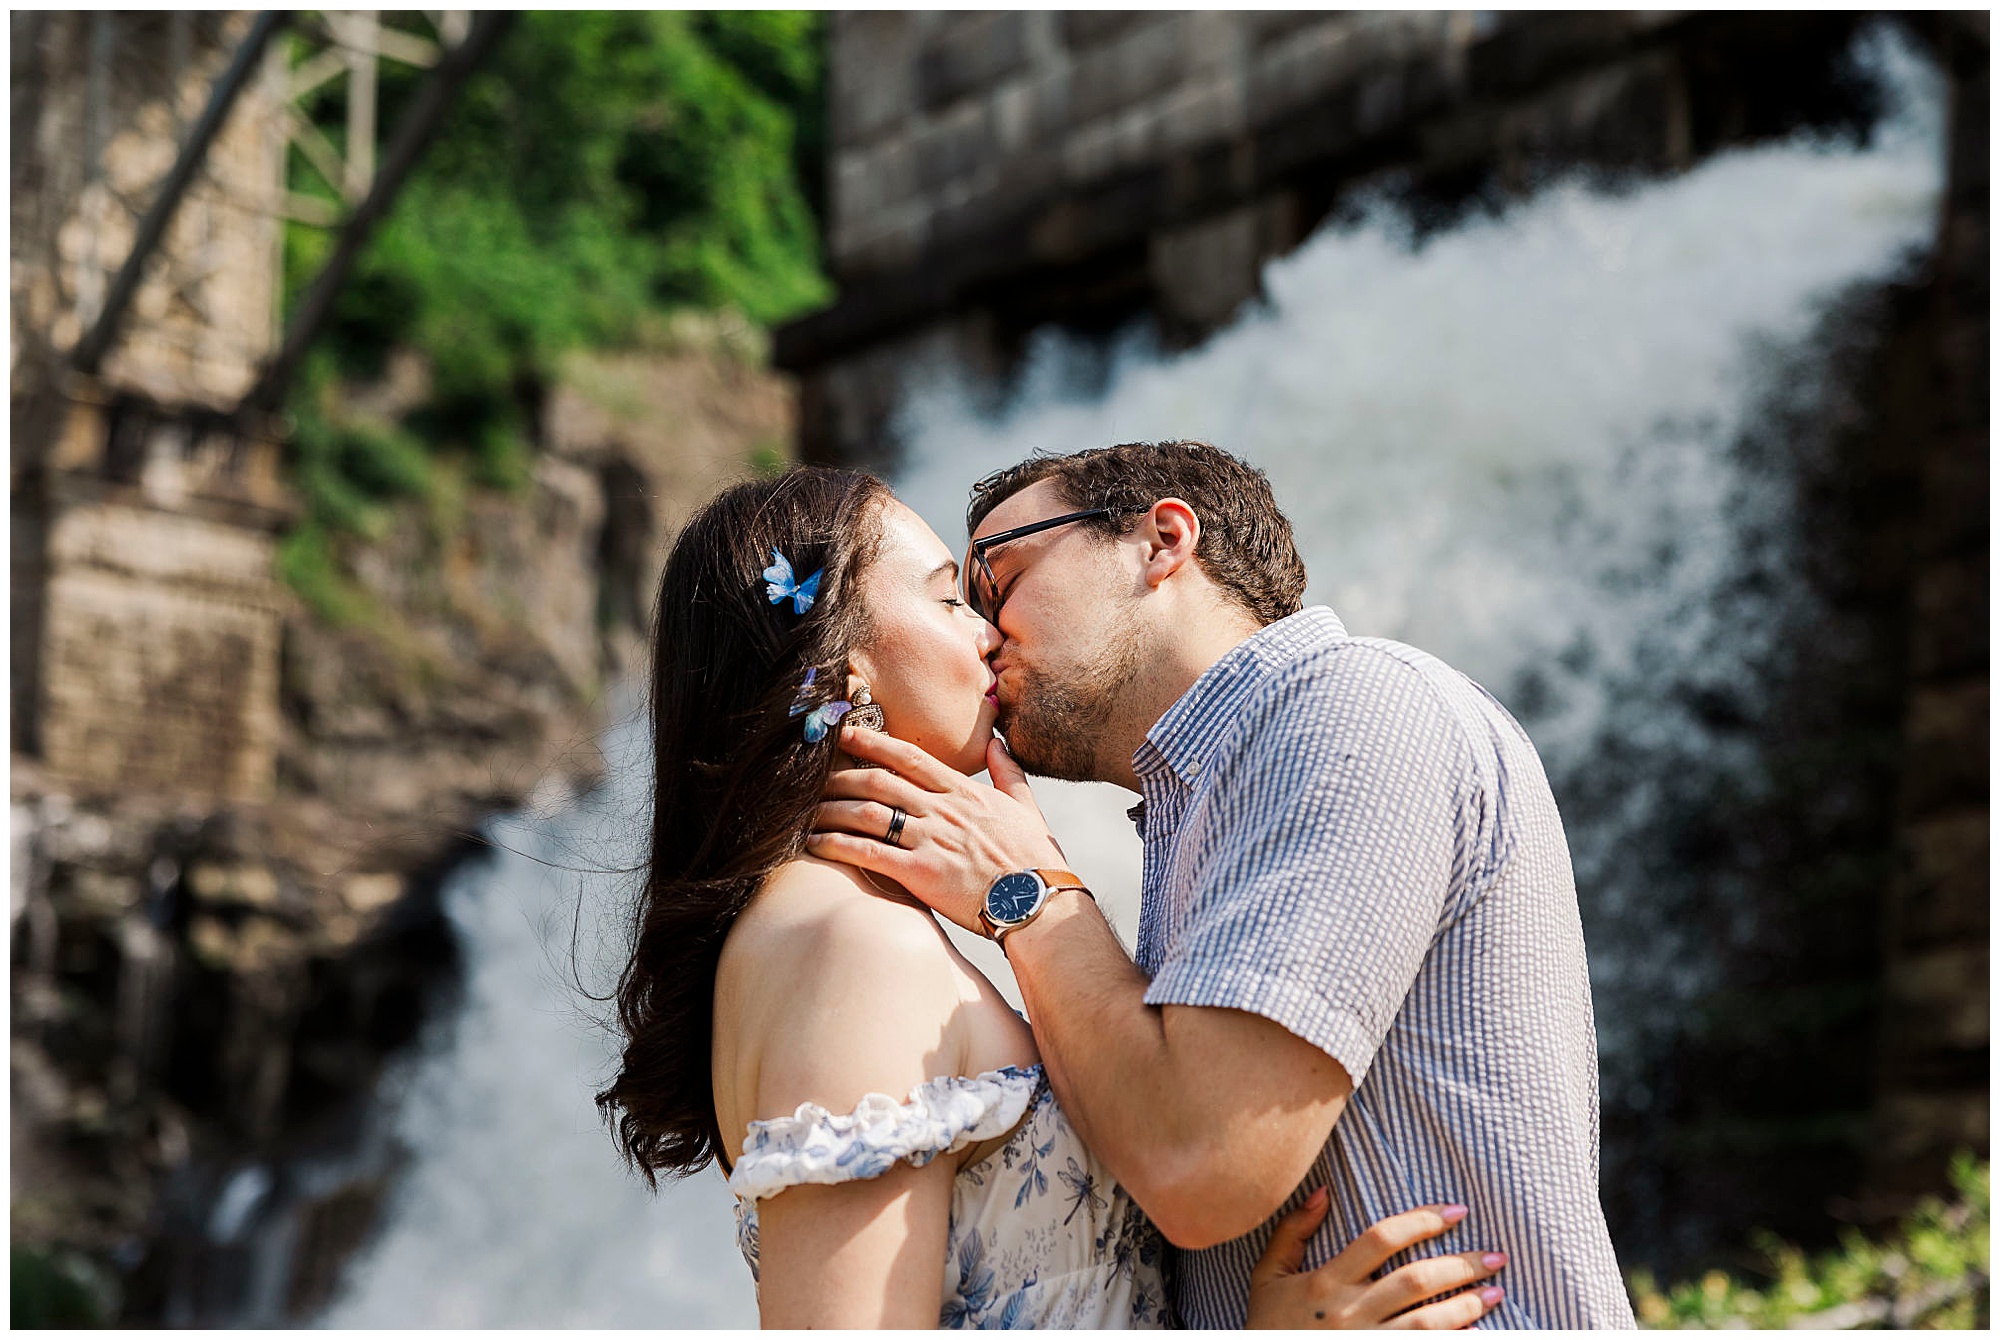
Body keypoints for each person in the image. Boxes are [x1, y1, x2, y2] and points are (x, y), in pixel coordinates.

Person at [598, 466, 1510, 1328]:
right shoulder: (850, 948)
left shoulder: (836, 928)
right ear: (846, 670)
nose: (988, 633)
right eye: (952, 596)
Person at [809, 441, 1638, 1328]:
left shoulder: (1350, 707)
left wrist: (1029, 893)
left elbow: (1201, 1165)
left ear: (1163, 541)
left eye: (997, 582)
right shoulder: (1206, 801)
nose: (981, 634)